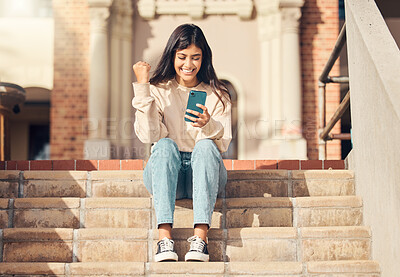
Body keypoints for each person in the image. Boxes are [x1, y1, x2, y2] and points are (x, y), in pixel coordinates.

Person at [132, 23, 232, 262]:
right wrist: (143, 88)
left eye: (195, 58)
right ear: (172, 56)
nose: (188, 64)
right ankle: (164, 239)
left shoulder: (217, 94)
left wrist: (208, 124)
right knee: (164, 145)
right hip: (168, 173)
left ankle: (200, 239)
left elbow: (224, 143)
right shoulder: (158, 90)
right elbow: (149, 136)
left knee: (206, 145)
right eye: (182, 57)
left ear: (204, 58)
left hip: (205, 173)